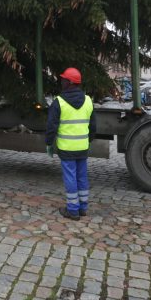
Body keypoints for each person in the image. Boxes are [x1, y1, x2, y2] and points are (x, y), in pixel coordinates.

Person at [45, 67, 96, 220]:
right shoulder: (88, 101)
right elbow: (93, 127)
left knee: (70, 178)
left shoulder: (58, 102)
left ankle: (73, 210)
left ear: (70, 82)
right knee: (82, 177)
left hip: (66, 148)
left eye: (63, 79)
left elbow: (51, 127)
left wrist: (49, 144)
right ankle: (83, 207)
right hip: (82, 148)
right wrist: (87, 141)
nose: (61, 82)